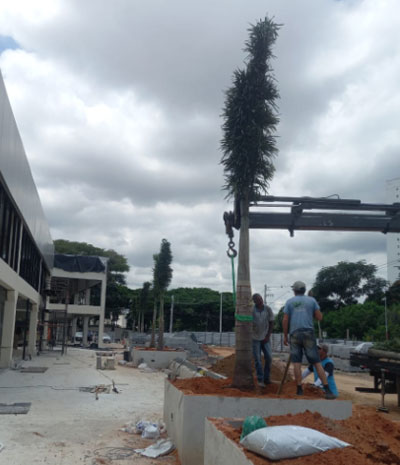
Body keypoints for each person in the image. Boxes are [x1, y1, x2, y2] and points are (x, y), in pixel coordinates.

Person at [283, 281, 335, 399]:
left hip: (294, 334)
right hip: (308, 333)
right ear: (304, 290)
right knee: (316, 362)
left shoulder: (289, 302)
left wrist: (285, 336)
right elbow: (319, 317)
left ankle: (299, 389)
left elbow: (285, 320)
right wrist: (310, 311)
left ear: (294, 290)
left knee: (297, 363)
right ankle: (327, 390)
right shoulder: (311, 301)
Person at [252, 293, 274, 387]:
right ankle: (260, 379)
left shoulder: (268, 309)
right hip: (255, 338)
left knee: (269, 357)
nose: (260, 301)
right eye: (258, 300)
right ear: (254, 301)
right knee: (257, 359)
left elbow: (271, 322)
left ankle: (266, 378)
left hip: (265, 337)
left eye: (261, 298)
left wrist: (268, 336)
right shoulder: (252, 310)